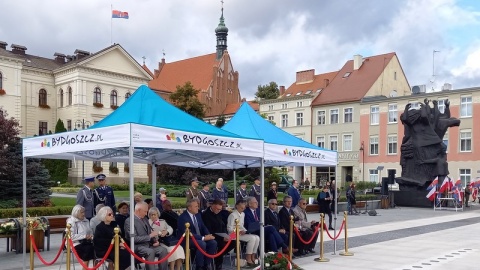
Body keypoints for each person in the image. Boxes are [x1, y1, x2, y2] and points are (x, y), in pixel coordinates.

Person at [124, 202, 169, 270]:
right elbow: (134, 239)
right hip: (137, 246)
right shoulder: (129, 221)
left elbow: (150, 231)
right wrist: (150, 236)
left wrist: (154, 241)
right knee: (150, 252)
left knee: (163, 250)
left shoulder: (144, 219)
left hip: (149, 244)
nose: (146, 213)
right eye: (145, 211)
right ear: (138, 210)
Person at [177, 199, 217, 270]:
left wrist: (208, 235)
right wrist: (203, 238)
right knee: (202, 244)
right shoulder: (183, 217)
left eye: (197, 206)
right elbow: (188, 233)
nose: (198, 208)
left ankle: (207, 265)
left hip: (199, 237)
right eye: (195, 206)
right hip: (187, 240)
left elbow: (203, 226)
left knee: (213, 243)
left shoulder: (198, 215)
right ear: (189, 208)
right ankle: (199, 267)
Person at [201, 199, 236, 270]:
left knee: (233, 242)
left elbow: (222, 225)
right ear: (213, 206)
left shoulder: (218, 213)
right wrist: (221, 237)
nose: (219, 210)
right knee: (221, 244)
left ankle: (218, 257)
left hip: (221, 235)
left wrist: (226, 235)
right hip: (212, 236)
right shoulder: (206, 214)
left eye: (220, 209)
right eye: (217, 209)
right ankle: (218, 263)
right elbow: (208, 230)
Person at [227, 200, 259, 267]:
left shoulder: (243, 214)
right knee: (252, 238)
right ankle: (248, 257)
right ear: (237, 206)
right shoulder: (232, 215)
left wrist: (246, 231)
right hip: (233, 234)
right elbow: (229, 228)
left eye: (244, 206)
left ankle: (253, 255)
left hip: (241, 233)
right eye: (242, 206)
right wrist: (238, 231)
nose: (243, 207)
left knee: (257, 237)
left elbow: (241, 225)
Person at [67, 205, 94, 269]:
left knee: (95, 248)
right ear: (76, 213)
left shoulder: (86, 221)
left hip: (87, 241)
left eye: (84, 212)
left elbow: (90, 231)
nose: (83, 214)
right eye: (81, 212)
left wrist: (91, 236)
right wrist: (84, 236)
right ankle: (85, 268)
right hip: (75, 243)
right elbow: (71, 236)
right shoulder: (71, 222)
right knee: (88, 249)